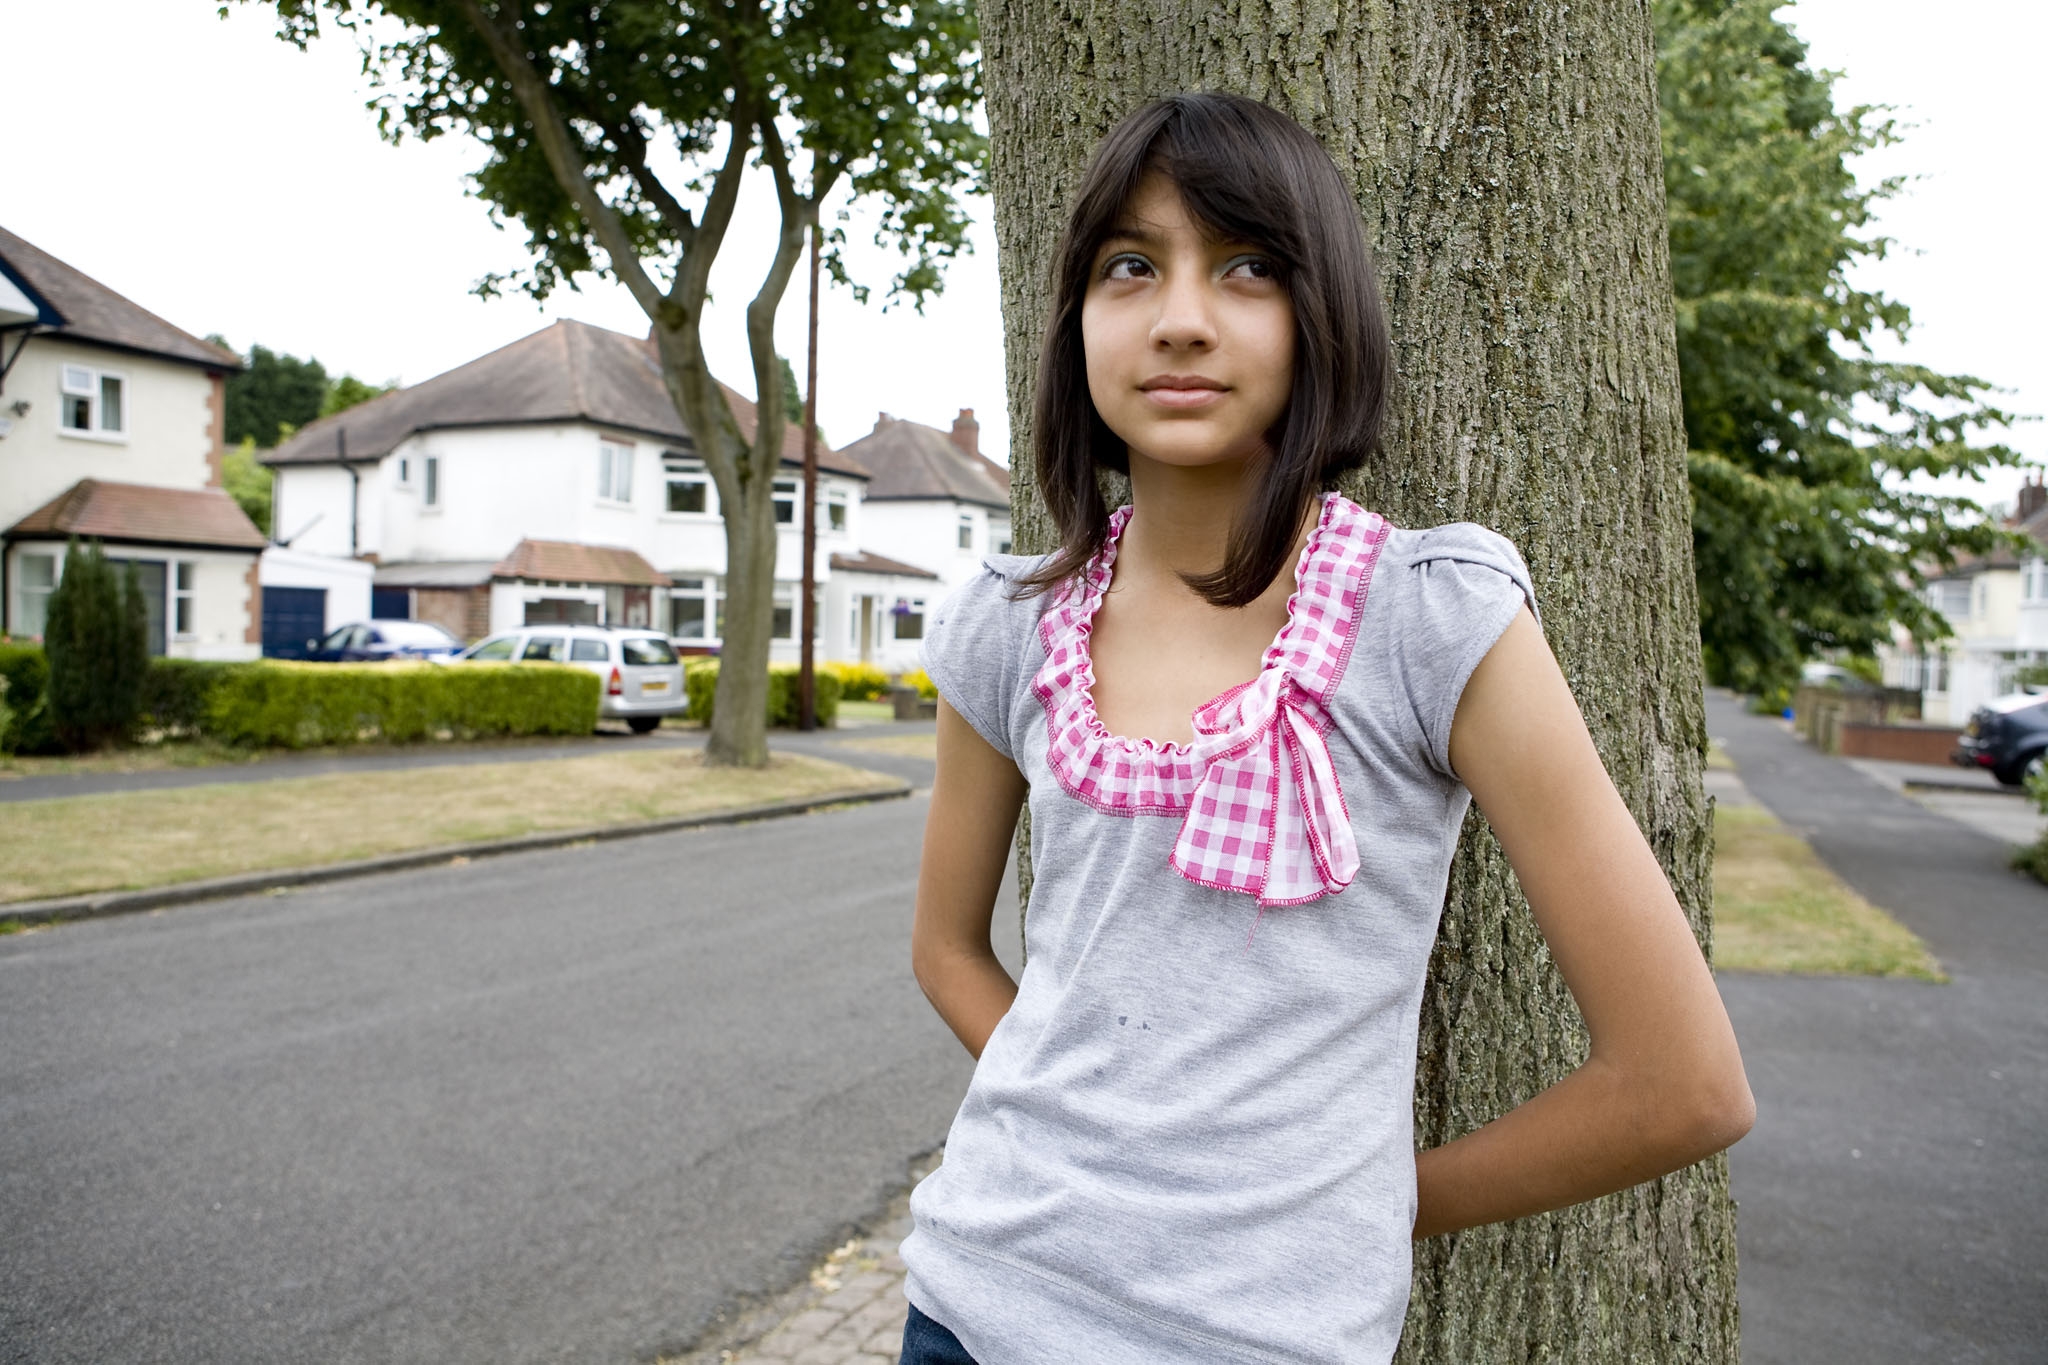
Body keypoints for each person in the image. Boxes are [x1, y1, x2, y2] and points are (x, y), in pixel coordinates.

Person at [899, 92, 1754, 1365]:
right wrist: (1085, 1115)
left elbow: (1681, 1085)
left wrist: (1366, 1205)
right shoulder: (1007, 625)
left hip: (1256, 1340)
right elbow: (945, 951)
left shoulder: (1426, 621)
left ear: (1322, 316)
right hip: (970, 1306)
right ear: (1074, 318)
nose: (1180, 316)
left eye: (1246, 267)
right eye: (1129, 267)